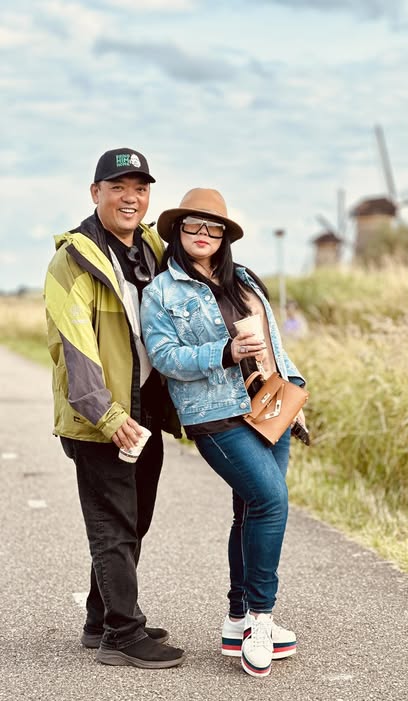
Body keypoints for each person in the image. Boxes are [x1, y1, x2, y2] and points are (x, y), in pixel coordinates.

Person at [141, 188, 307, 678]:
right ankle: (262, 619)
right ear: (178, 231)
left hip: (270, 406)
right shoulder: (162, 292)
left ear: (224, 235)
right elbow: (165, 358)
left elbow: (274, 342)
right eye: (193, 225)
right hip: (214, 416)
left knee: (250, 509)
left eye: (212, 227)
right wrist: (224, 352)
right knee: (271, 501)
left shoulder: (246, 279)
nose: (203, 234)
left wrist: (296, 389)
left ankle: (237, 619)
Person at [44, 148, 184, 670]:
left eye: (140, 188)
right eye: (118, 187)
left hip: (144, 411)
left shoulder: (151, 248)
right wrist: (107, 416)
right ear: (95, 192)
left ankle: (99, 618)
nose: (131, 198)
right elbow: (75, 349)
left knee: (135, 519)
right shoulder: (72, 261)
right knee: (114, 525)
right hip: (99, 418)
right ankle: (122, 634)